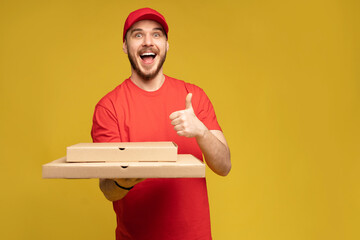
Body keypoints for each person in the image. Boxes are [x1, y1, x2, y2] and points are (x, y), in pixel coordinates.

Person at [91, 8, 231, 240]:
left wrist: (201, 131)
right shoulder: (109, 107)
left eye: (156, 35)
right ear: (125, 46)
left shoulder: (194, 97)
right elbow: (107, 188)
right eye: (137, 35)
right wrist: (123, 181)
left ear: (166, 45)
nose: (148, 42)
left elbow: (224, 166)